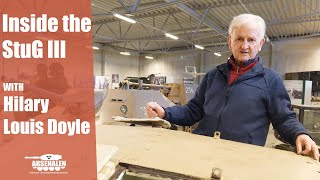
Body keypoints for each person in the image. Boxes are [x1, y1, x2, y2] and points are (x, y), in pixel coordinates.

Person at [146, 14, 319, 160]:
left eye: (251, 40)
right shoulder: (213, 76)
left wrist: (300, 134)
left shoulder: (271, 80)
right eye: (239, 39)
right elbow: (193, 111)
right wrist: (165, 112)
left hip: (241, 159)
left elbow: (283, 118)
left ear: (261, 43)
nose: (244, 46)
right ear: (230, 41)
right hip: (201, 153)